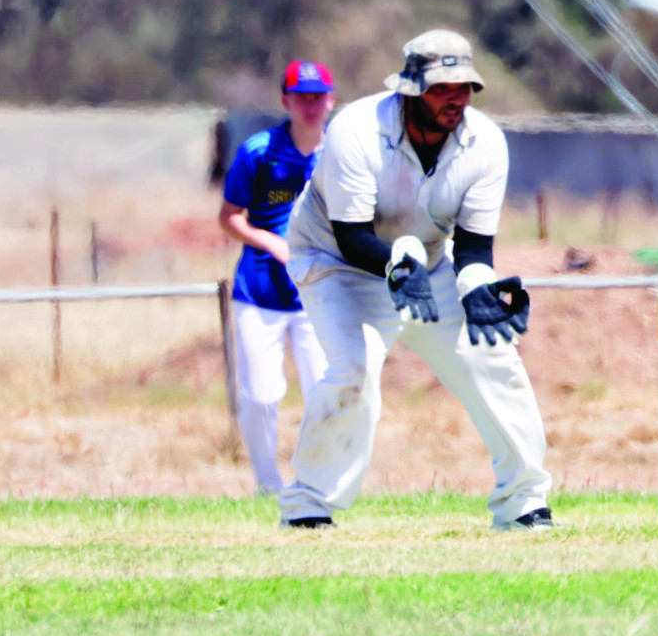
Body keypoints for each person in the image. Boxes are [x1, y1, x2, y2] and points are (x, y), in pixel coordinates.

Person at [276, 30, 553, 531]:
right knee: (354, 370)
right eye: (442, 88)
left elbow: (472, 246)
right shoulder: (356, 130)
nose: (457, 99)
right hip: (338, 258)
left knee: (495, 361)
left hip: (426, 259)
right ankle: (308, 507)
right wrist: (397, 271)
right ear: (411, 89)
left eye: (465, 87)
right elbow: (352, 235)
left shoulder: (485, 142)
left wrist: (479, 288)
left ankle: (523, 504)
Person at [217, 61, 336, 494]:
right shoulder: (258, 151)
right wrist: (271, 242)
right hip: (260, 291)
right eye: (300, 97)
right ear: (285, 101)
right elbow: (230, 218)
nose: (310, 105)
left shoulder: (339, 155)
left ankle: (315, 481)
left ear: (331, 100)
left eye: (318, 96)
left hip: (318, 294)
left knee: (325, 392)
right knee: (261, 395)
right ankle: (267, 484)